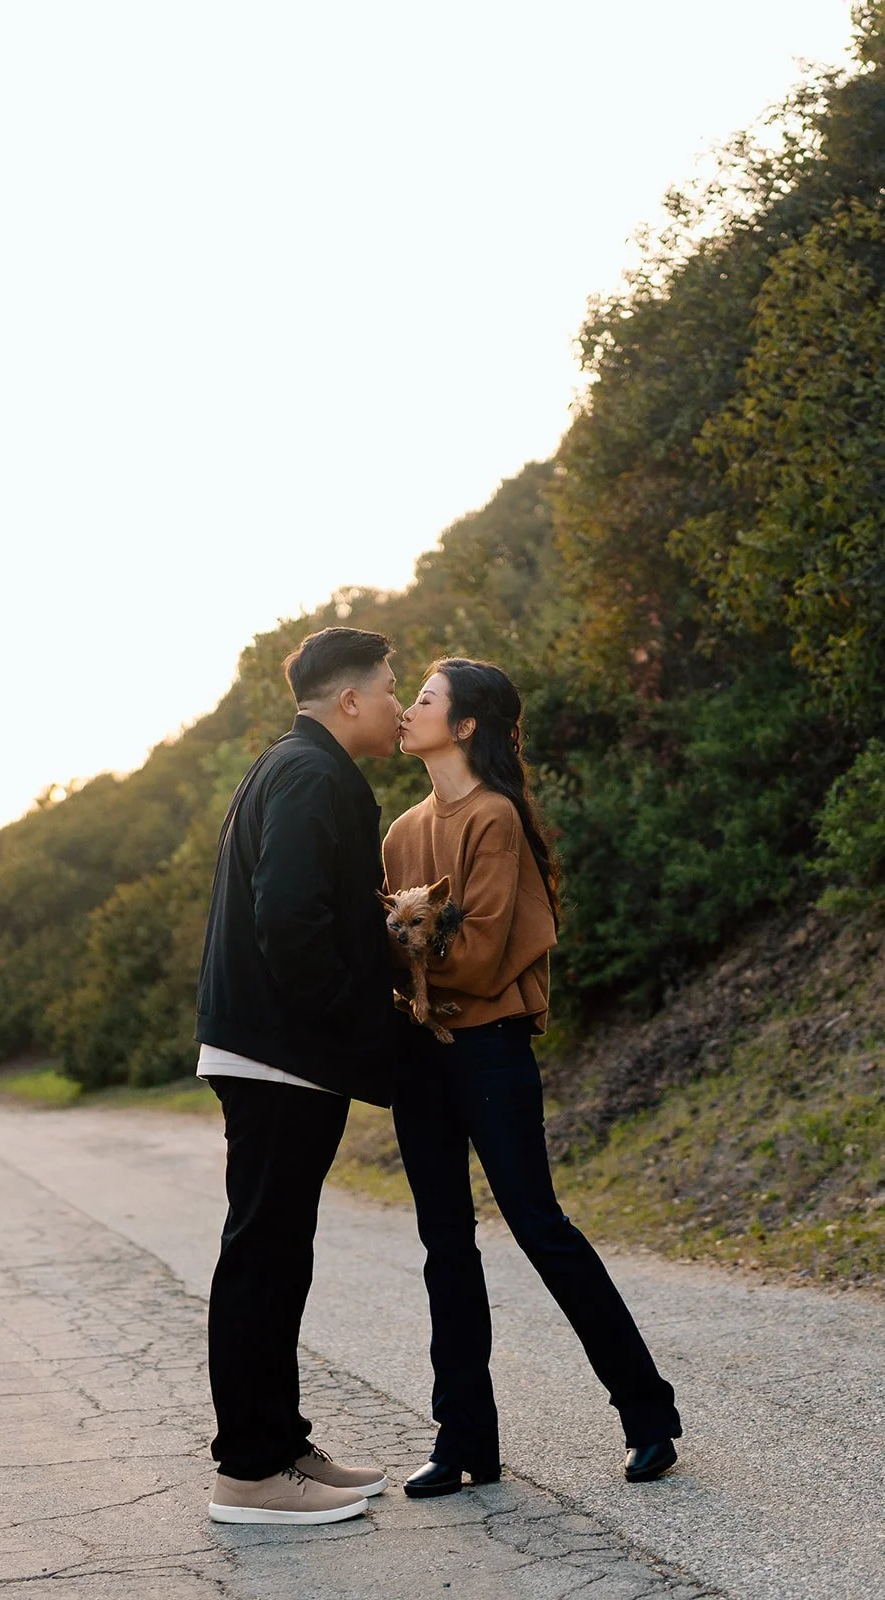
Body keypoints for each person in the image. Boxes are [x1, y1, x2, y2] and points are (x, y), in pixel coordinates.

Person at [383, 657, 682, 1498]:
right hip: (419, 1055)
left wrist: (407, 958)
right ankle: (463, 1439)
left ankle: (647, 1412)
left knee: (538, 1226)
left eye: (426, 699)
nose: (408, 709)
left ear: (466, 724)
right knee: (443, 1244)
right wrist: (407, 961)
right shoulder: (402, 830)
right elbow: (399, 950)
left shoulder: (494, 817)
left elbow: (476, 959)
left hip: (487, 1049)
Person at [195, 626, 403, 1525]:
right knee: (264, 1260)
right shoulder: (315, 774)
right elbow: (287, 919)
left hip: (274, 1054)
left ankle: (280, 1445)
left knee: (278, 1257)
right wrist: (360, 1029)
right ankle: (248, 1470)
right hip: (277, 1057)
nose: (399, 703)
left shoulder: (290, 763)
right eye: (392, 688)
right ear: (349, 700)